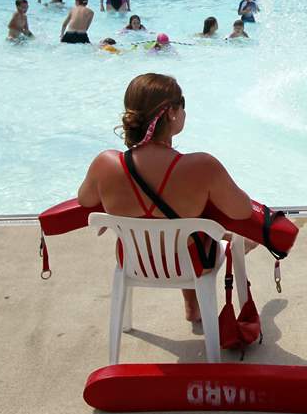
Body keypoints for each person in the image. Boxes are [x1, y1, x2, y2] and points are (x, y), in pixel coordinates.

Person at [77, 72, 254, 322]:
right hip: (189, 263)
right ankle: (202, 299)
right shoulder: (201, 166)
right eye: (182, 104)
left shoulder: (105, 164)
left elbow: (85, 201)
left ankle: (192, 307)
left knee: (177, 226)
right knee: (211, 232)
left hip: (133, 261)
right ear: (172, 112)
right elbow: (243, 211)